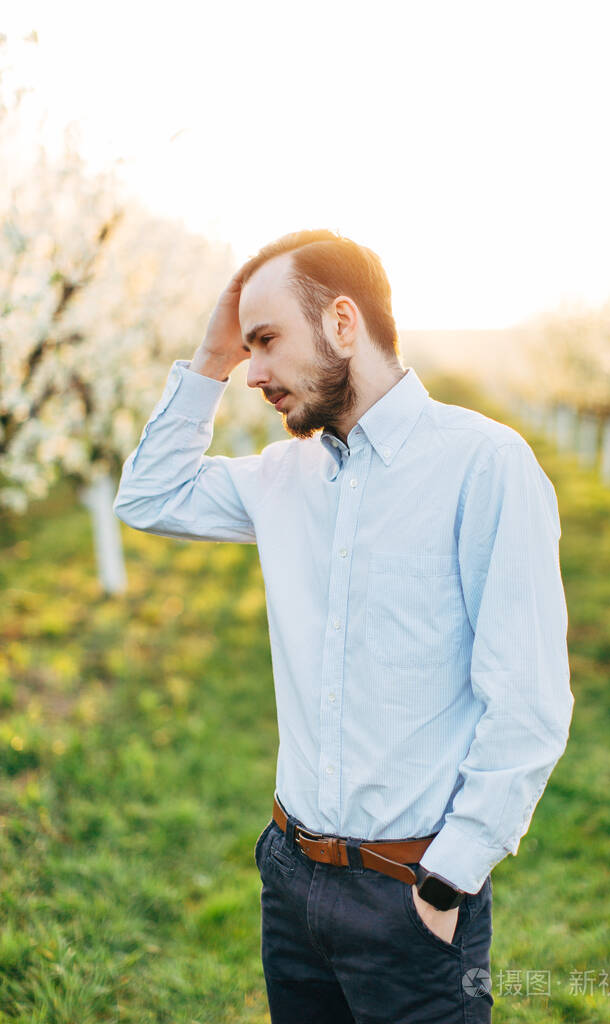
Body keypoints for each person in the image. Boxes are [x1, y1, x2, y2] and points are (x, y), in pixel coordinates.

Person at [113, 229, 575, 1023]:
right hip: (291, 876)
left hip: (413, 893)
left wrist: (447, 877)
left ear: (341, 323)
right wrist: (208, 355)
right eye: (245, 348)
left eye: (264, 342)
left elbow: (527, 702)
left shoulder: (485, 465)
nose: (252, 373)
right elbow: (148, 496)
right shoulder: (280, 478)